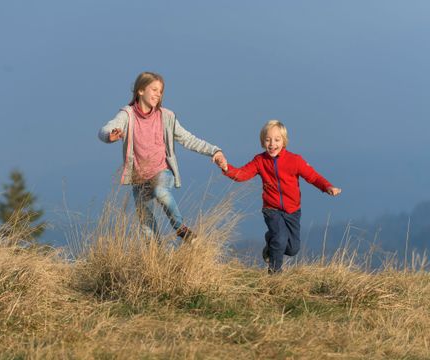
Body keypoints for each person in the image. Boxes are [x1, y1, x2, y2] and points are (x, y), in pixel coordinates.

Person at [98, 72, 226, 244]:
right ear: (140, 91)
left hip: (162, 172)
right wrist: (109, 135)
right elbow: (106, 129)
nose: (158, 94)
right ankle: (157, 259)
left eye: (161, 91)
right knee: (146, 226)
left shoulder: (166, 117)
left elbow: (188, 139)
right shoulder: (127, 115)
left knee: (161, 192)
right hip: (139, 178)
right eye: (154, 89)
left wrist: (214, 151)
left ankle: (181, 229)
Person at [216, 120, 341, 273]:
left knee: (293, 248)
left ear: (284, 141)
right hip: (271, 209)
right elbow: (242, 175)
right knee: (280, 239)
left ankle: (270, 243)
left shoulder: (295, 160)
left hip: (293, 210)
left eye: (277, 139)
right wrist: (226, 168)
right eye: (268, 140)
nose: (272, 144)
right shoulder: (260, 161)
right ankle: (275, 274)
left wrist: (327, 186)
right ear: (262, 142)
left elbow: (313, 177)